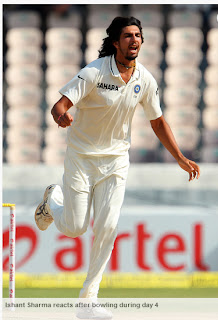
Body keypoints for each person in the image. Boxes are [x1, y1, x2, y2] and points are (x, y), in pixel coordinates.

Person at [35, 16, 200, 319]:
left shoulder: (145, 79)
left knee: (108, 226)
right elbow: (59, 105)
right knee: (74, 227)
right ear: (115, 42)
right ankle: (52, 202)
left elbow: (158, 120)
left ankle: (87, 301)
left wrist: (179, 157)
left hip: (115, 162)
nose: (134, 40)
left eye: (138, 35)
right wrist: (61, 116)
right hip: (81, 159)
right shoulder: (94, 73)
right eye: (127, 36)